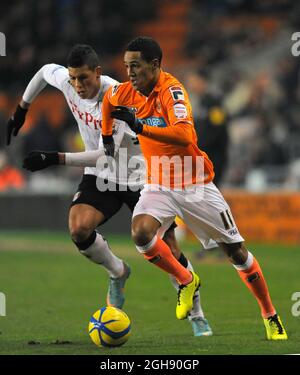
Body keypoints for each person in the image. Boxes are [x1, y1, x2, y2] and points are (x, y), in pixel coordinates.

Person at [9, 44, 212, 336]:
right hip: (100, 176)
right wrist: (21, 110)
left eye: (84, 79)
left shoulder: (118, 96)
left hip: (139, 177)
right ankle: (117, 271)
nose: (77, 85)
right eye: (73, 79)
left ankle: (197, 315)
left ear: (98, 73)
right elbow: (43, 72)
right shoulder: (67, 81)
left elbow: (108, 154)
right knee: (79, 229)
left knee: (168, 247)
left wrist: (54, 158)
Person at [100, 36, 287, 340]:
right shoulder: (127, 92)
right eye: (126, 66)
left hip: (194, 183)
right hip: (159, 183)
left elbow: (185, 135)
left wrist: (140, 127)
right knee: (141, 234)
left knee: (236, 252)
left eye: (136, 66)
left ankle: (270, 314)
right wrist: (107, 137)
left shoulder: (172, 91)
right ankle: (187, 279)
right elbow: (108, 101)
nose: (130, 72)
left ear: (155, 65)